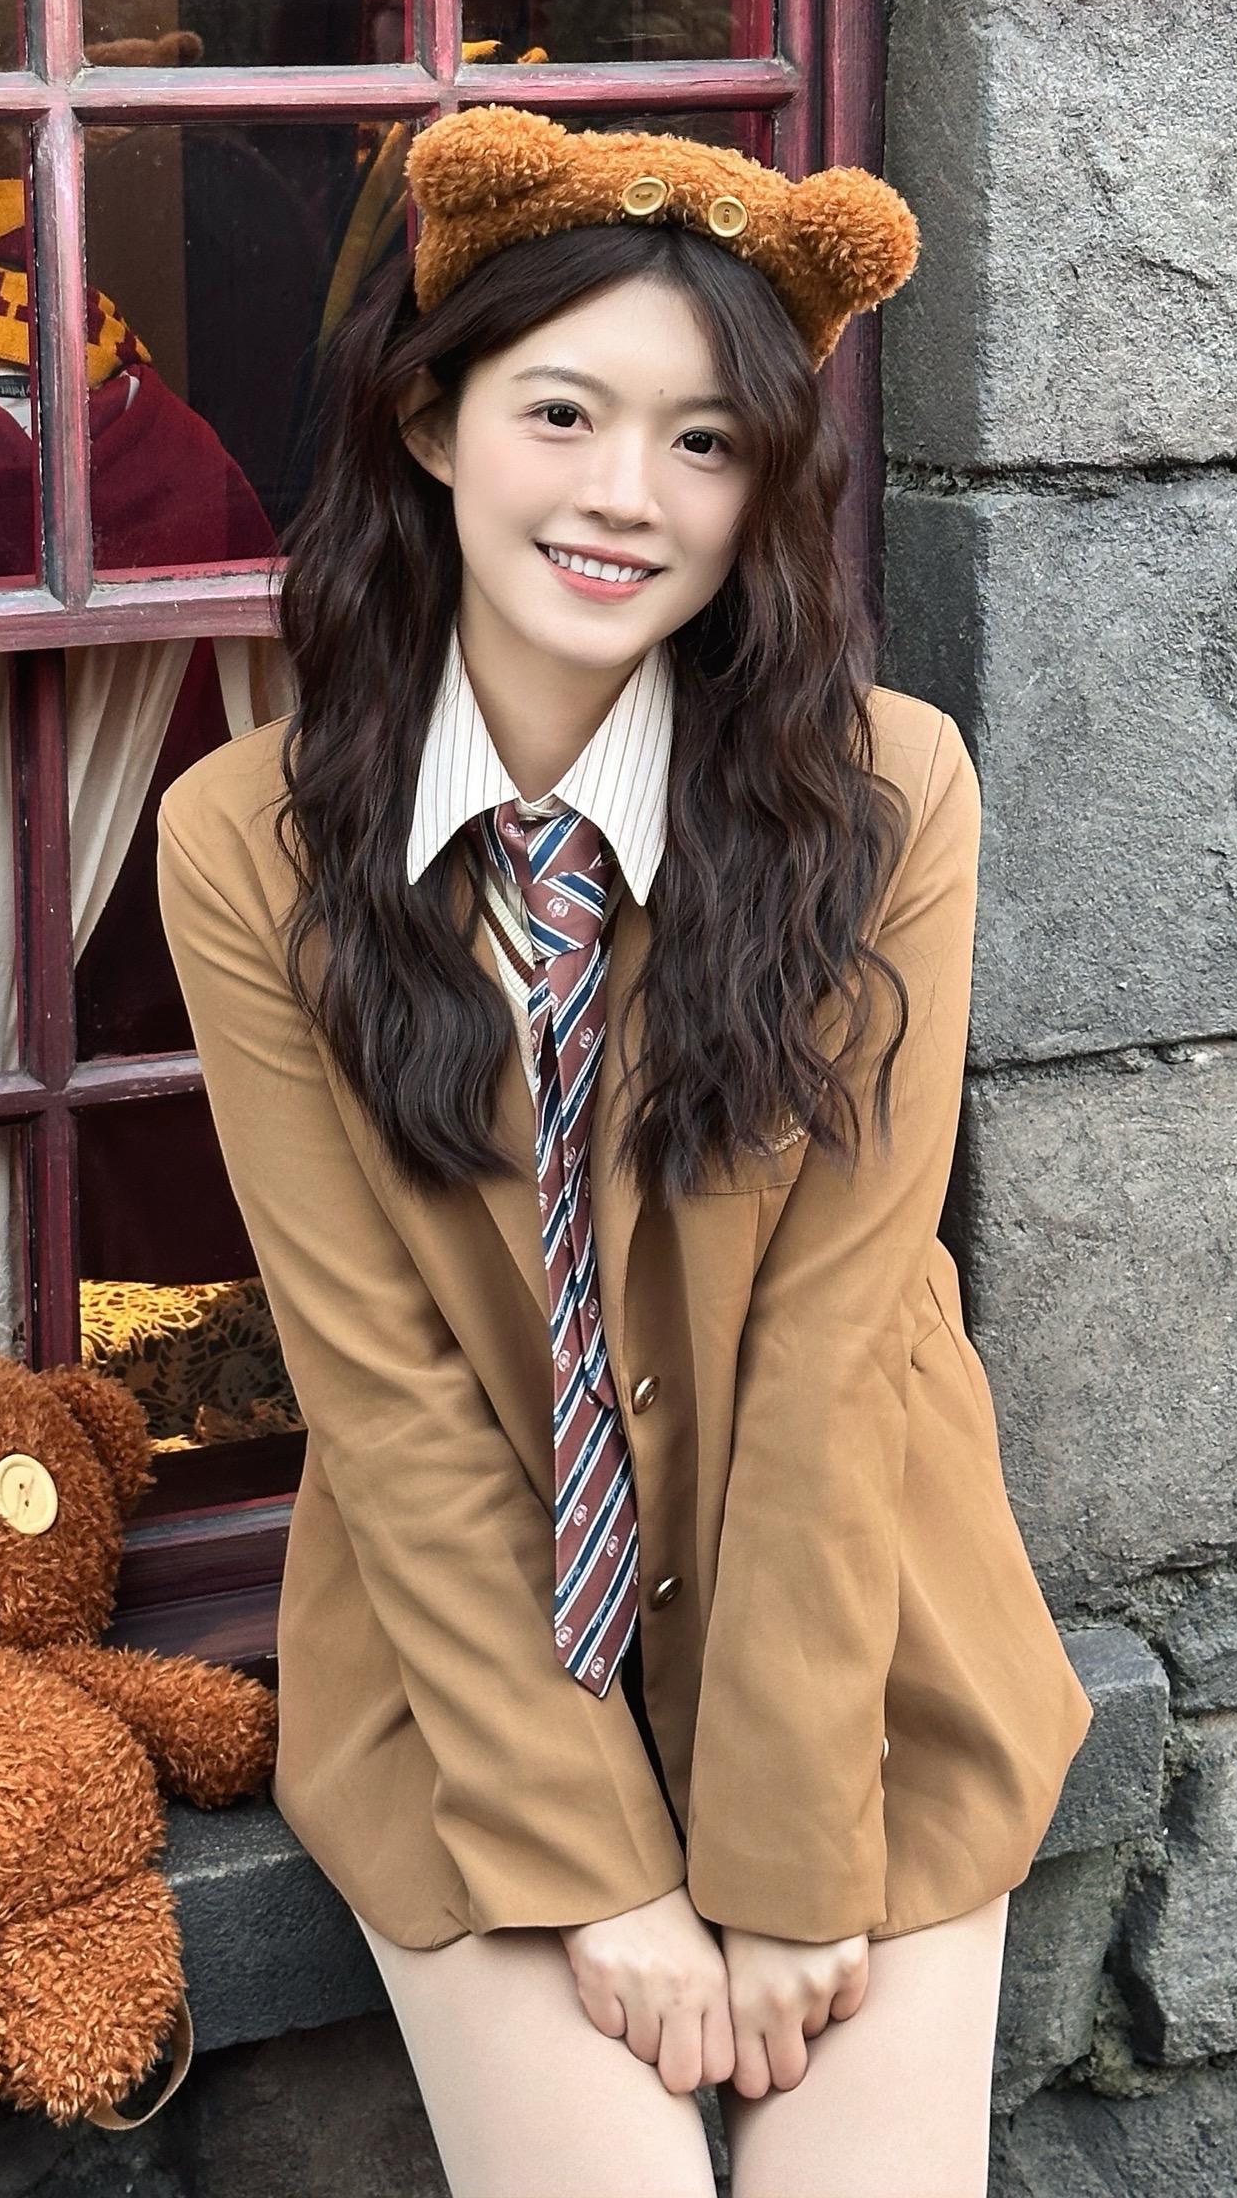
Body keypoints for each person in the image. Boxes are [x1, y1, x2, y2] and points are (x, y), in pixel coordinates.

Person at [154, 110, 1094, 2198]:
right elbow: (386, 1387)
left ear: (765, 490)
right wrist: (603, 1871)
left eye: (703, 442)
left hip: (854, 1633)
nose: (623, 496)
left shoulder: (885, 799)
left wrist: (784, 1858)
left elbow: (838, 1341)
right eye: (563, 412)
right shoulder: (247, 844)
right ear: (432, 423)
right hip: (468, 1674)